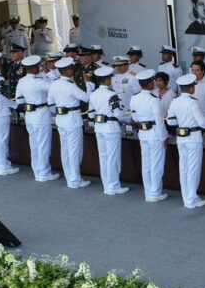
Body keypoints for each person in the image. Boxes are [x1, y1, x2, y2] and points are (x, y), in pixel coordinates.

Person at [167, 74, 205, 208]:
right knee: (193, 168)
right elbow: (201, 121)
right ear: (191, 88)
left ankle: (186, 197)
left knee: (184, 168)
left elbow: (170, 120)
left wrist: (180, 123)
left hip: (181, 137)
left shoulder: (175, 101)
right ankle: (192, 199)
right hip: (193, 137)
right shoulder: (193, 102)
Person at [47, 57, 91, 188]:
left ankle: (69, 178)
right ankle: (75, 180)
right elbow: (86, 97)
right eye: (71, 68)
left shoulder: (54, 84)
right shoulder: (70, 85)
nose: (73, 70)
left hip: (61, 119)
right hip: (72, 120)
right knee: (74, 151)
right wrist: (88, 83)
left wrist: (60, 111)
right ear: (67, 71)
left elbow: (50, 105)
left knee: (65, 150)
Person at [14, 55, 59, 181]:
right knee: (43, 145)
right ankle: (44, 173)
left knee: (34, 145)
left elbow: (19, 100)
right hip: (41, 115)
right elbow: (56, 86)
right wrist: (48, 72)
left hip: (30, 116)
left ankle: (37, 171)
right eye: (39, 66)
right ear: (34, 68)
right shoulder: (39, 82)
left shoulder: (22, 81)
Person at [88, 66, 130, 194]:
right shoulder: (112, 95)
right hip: (111, 128)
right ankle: (114, 186)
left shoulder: (93, 94)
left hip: (99, 127)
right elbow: (118, 114)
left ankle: (107, 185)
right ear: (107, 80)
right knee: (113, 158)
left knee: (104, 157)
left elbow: (90, 114)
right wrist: (130, 116)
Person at [130, 69, 168, 202]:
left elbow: (134, 117)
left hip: (143, 133)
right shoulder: (154, 99)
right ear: (150, 83)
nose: (155, 83)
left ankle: (148, 192)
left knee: (146, 163)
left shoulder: (134, 97)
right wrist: (164, 137)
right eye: (153, 81)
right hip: (155, 134)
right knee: (156, 164)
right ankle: (155, 193)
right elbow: (159, 121)